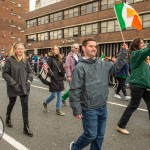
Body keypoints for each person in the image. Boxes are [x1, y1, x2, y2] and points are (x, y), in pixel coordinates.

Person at [69, 37, 128, 150]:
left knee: (99, 137)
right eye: (91, 46)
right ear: (84, 48)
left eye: (95, 46)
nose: (94, 48)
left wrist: (123, 53)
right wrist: (76, 108)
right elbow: (74, 89)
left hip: (103, 107)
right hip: (89, 108)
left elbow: (117, 67)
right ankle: (75, 147)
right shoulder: (80, 67)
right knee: (90, 135)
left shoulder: (103, 64)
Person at [117, 38, 150, 135]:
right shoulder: (135, 54)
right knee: (133, 105)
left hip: (145, 84)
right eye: (142, 43)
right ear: (136, 45)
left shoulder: (142, 57)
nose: (144, 44)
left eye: (144, 43)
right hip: (137, 84)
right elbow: (146, 50)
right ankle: (120, 125)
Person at [2, 42, 33, 137]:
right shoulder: (9, 60)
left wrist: (29, 81)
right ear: (14, 49)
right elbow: (5, 73)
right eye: (18, 48)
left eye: (22, 48)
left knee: (25, 106)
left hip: (24, 86)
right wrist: (13, 83)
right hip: (14, 86)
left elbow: (30, 71)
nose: (20, 50)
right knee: (12, 103)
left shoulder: (25, 60)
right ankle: (8, 117)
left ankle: (26, 127)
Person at [42, 45, 65, 116]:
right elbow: (45, 68)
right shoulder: (50, 59)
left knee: (59, 95)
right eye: (55, 49)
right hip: (53, 79)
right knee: (54, 95)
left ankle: (58, 109)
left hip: (60, 79)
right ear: (52, 51)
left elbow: (61, 68)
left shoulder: (60, 58)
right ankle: (45, 103)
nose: (57, 50)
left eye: (57, 49)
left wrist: (63, 72)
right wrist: (52, 75)